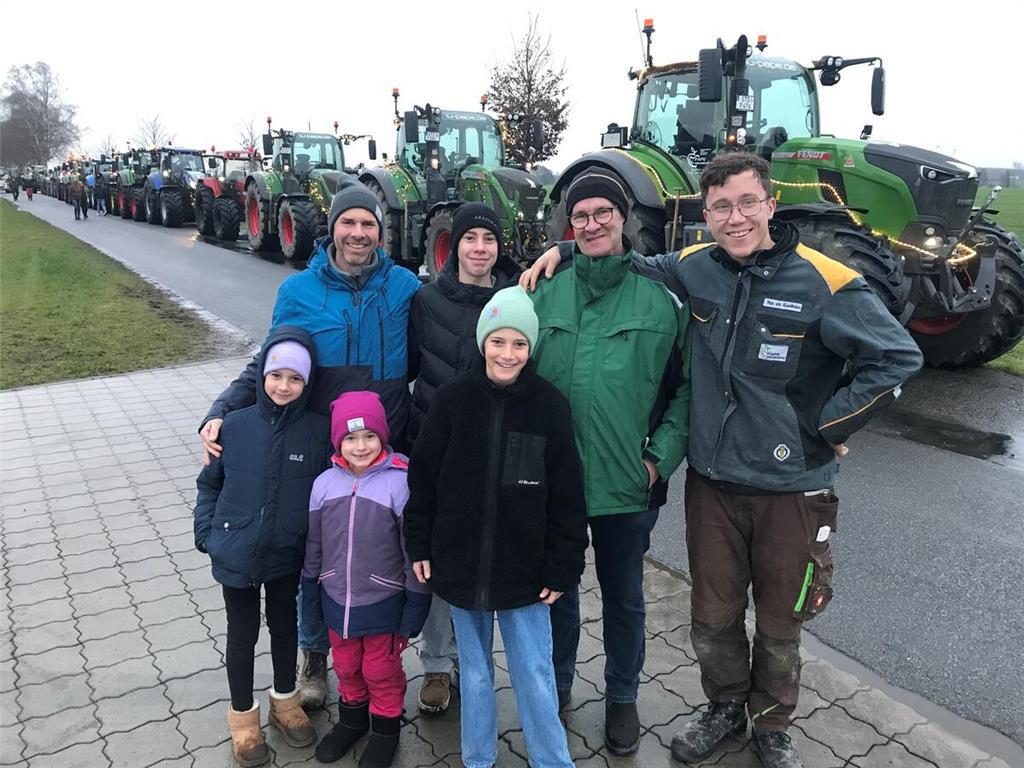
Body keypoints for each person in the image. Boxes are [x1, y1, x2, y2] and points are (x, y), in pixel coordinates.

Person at [524, 153, 923, 768]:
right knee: (712, 613)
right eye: (720, 207)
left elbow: (897, 356)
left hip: (792, 482)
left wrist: (830, 426)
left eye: (746, 203)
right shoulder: (692, 269)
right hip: (713, 482)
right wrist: (562, 253)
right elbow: (619, 257)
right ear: (704, 214)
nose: (734, 218)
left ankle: (772, 725)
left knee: (781, 618)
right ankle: (723, 705)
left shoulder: (826, 280)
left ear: (769, 204)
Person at [199, 182, 421, 710]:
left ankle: (383, 654)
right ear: (333, 228)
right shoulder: (298, 292)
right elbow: (271, 362)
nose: (359, 233)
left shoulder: (406, 287)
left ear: (380, 230)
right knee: (315, 555)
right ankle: (316, 654)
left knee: (384, 554)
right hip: (321, 447)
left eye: (368, 224)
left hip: (387, 448)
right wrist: (221, 411)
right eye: (349, 223)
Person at [526, 170, 691, 755]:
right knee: (557, 594)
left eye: (603, 213)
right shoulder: (542, 291)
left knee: (624, 596)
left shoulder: (661, 296)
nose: (592, 223)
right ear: (568, 226)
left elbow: (686, 390)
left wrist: (659, 460)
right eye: (580, 216)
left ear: (624, 218)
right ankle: (560, 684)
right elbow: (511, 373)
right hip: (554, 485)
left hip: (628, 484)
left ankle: (622, 695)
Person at [404, 286, 588, 768]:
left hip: (525, 571)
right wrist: (419, 541)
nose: (508, 354)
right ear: (484, 342)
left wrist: (563, 563)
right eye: (499, 342)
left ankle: (553, 760)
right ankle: (478, 758)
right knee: (478, 675)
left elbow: (568, 496)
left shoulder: (549, 406)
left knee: (534, 671)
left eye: (519, 344)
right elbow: (422, 480)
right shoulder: (452, 401)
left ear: (531, 348)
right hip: (461, 567)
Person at [194, 328, 332, 767]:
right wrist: (207, 534)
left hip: (287, 552)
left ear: (307, 384)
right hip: (235, 550)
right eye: (277, 376)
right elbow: (208, 485)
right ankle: (242, 718)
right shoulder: (233, 427)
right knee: (241, 635)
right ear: (263, 377)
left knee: (284, 628)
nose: (284, 386)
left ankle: (285, 701)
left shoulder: (318, 432)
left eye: (295, 379)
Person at [406, 202, 521, 714]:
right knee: (435, 560)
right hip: (434, 446)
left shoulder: (517, 299)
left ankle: (473, 665)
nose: (479, 248)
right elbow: (409, 366)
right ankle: (435, 666)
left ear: (500, 247)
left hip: (492, 450)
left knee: (485, 560)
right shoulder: (426, 300)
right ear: (454, 246)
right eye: (469, 238)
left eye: (489, 239)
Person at [302, 391, 430, 767]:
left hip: (384, 604)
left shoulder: (400, 483)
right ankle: (352, 722)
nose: (361, 446)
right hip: (335, 601)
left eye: (370, 436)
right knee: (345, 666)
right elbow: (313, 545)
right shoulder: (324, 484)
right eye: (351, 438)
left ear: (384, 436)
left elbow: (414, 553)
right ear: (338, 441)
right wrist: (310, 591)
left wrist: (415, 604)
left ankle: (386, 730)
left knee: (381, 670)